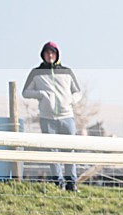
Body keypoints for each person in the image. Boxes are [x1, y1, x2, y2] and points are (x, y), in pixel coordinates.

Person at [22, 41, 82, 191]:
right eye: (47, 53)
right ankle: (58, 182)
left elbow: (78, 92)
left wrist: (70, 100)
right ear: (43, 55)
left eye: (53, 53)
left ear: (57, 55)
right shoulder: (36, 73)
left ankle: (71, 183)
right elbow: (25, 92)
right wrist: (41, 94)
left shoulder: (67, 72)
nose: (50, 55)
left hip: (67, 117)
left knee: (70, 150)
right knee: (52, 151)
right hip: (47, 118)